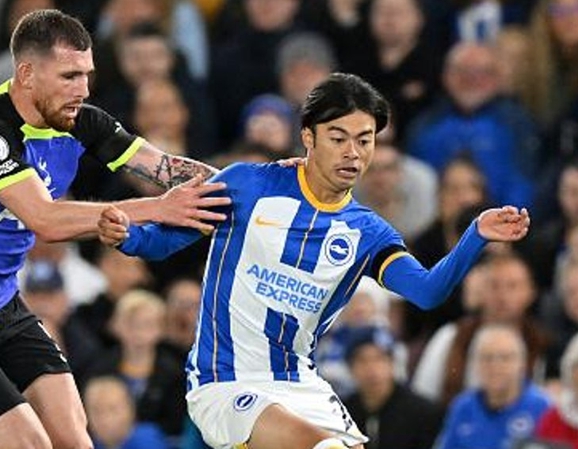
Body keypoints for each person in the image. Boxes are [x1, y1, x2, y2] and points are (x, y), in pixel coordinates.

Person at [98, 72, 531, 449]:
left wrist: (476, 235)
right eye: (338, 139)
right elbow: (159, 244)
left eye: (364, 141)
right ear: (308, 138)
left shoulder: (367, 232)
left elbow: (428, 292)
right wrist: (127, 236)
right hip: (225, 381)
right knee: (321, 447)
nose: (353, 154)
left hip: (299, 384)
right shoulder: (248, 186)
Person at [0, 9, 229, 449]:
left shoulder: (79, 120)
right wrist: (158, 209)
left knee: (75, 439)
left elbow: (164, 168)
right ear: (27, 74)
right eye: (69, 76)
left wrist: (260, 188)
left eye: (86, 75)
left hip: (1, 308)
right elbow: (45, 219)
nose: (83, 90)